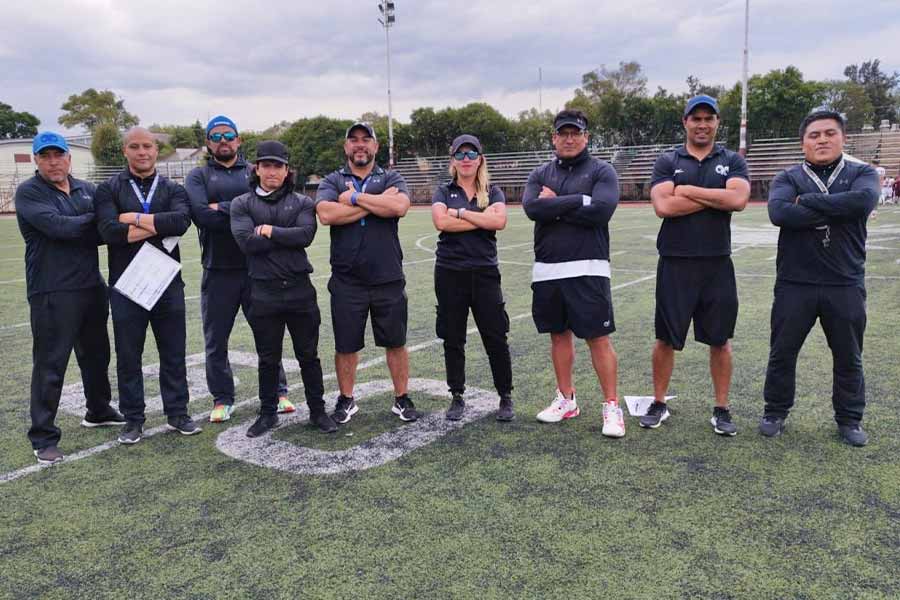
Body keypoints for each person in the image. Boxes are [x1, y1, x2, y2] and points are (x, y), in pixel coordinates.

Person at [762, 110, 879, 446]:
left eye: (830, 133)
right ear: (803, 143)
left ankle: (849, 419)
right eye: (814, 135)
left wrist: (809, 203)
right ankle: (775, 411)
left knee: (848, 355)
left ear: (843, 138)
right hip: (794, 282)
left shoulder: (862, 173)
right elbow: (780, 212)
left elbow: (863, 202)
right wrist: (834, 208)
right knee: (782, 352)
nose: (822, 140)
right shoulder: (788, 176)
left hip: (845, 281)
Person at [641, 95, 750, 436]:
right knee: (665, 338)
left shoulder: (731, 159)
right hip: (675, 261)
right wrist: (715, 197)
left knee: (721, 340)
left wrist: (686, 189)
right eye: (696, 118)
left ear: (718, 122)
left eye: (709, 118)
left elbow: (738, 200)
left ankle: (721, 408)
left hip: (717, 262)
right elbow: (664, 207)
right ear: (685, 121)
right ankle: (659, 402)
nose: (702, 124)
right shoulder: (667, 160)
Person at [15, 132, 124, 464]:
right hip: (52, 289)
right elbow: (58, 227)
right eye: (45, 156)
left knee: (96, 355)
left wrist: (97, 225)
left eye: (58, 155)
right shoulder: (29, 191)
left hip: (90, 286)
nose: (53, 161)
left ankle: (99, 409)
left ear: (68, 158)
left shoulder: (87, 189)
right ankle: (43, 436)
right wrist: (96, 223)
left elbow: (105, 230)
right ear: (36, 160)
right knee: (51, 364)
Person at [522, 109, 624, 438]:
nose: (569, 139)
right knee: (558, 335)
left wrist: (558, 204)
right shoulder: (540, 173)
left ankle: (611, 406)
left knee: (597, 337)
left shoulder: (601, 170)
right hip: (548, 269)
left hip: (588, 268)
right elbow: (532, 208)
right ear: (553, 138)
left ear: (585, 137)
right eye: (562, 133)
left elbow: (601, 211)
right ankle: (567, 399)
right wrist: (579, 200)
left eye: (575, 133)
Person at [94, 127, 200, 444]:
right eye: (135, 146)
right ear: (125, 151)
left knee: (173, 353)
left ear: (157, 150)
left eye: (148, 146)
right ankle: (133, 420)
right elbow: (109, 232)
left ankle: (178, 413)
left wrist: (133, 218)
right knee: (129, 356)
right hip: (128, 286)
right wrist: (155, 222)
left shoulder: (172, 187)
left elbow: (181, 223)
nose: (143, 152)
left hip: (167, 283)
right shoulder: (108, 189)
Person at [186, 115, 293, 423]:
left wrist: (222, 206)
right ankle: (222, 397)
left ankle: (279, 391)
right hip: (217, 270)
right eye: (215, 136)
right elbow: (202, 216)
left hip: (256, 268)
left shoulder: (252, 170)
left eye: (228, 135)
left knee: (268, 335)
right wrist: (244, 211)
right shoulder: (198, 176)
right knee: (216, 340)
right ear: (207, 142)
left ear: (238, 139)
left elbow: (272, 208)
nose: (222, 141)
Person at [230, 141, 336, 436]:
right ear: (257, 168)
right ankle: (268, 414)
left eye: (278, 166)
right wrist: (282, 235)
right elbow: (247, 243)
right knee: (268, 358)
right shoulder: (242, 203)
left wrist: (268, 230)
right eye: (267, 165)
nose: (272, 171)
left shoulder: (303, 202)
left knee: (308, 355)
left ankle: (317, 411)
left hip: (299, 289)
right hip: (263, 291)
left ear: (287, 170)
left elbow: (304, 236)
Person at [315, 122, 417, 423]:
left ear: (375, 146)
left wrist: (356, 199)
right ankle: (346, 399)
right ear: (346, 147)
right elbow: (326, 214)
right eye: (354, 140)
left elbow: (400, 207)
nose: (360, 145)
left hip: (388, 276)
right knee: (346, 345)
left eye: (366, 140)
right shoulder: (333, 180)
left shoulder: (392, 176)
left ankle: (401, 397)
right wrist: (377, 202)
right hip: (347, 280)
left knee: (396, 342)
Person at [431, 134, 514, 421]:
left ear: (480, 158)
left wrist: (460, 214)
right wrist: (479, 216)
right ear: (453, 160)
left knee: (495, 336)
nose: (466, 159)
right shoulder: (443, 190)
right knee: (452, 337)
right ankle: (456, 395)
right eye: (460, 154)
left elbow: (499, 221)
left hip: (484, 272)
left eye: (471, 154)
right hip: (449, 272)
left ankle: (505, 396)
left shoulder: (494, 190)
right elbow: (441, 222)